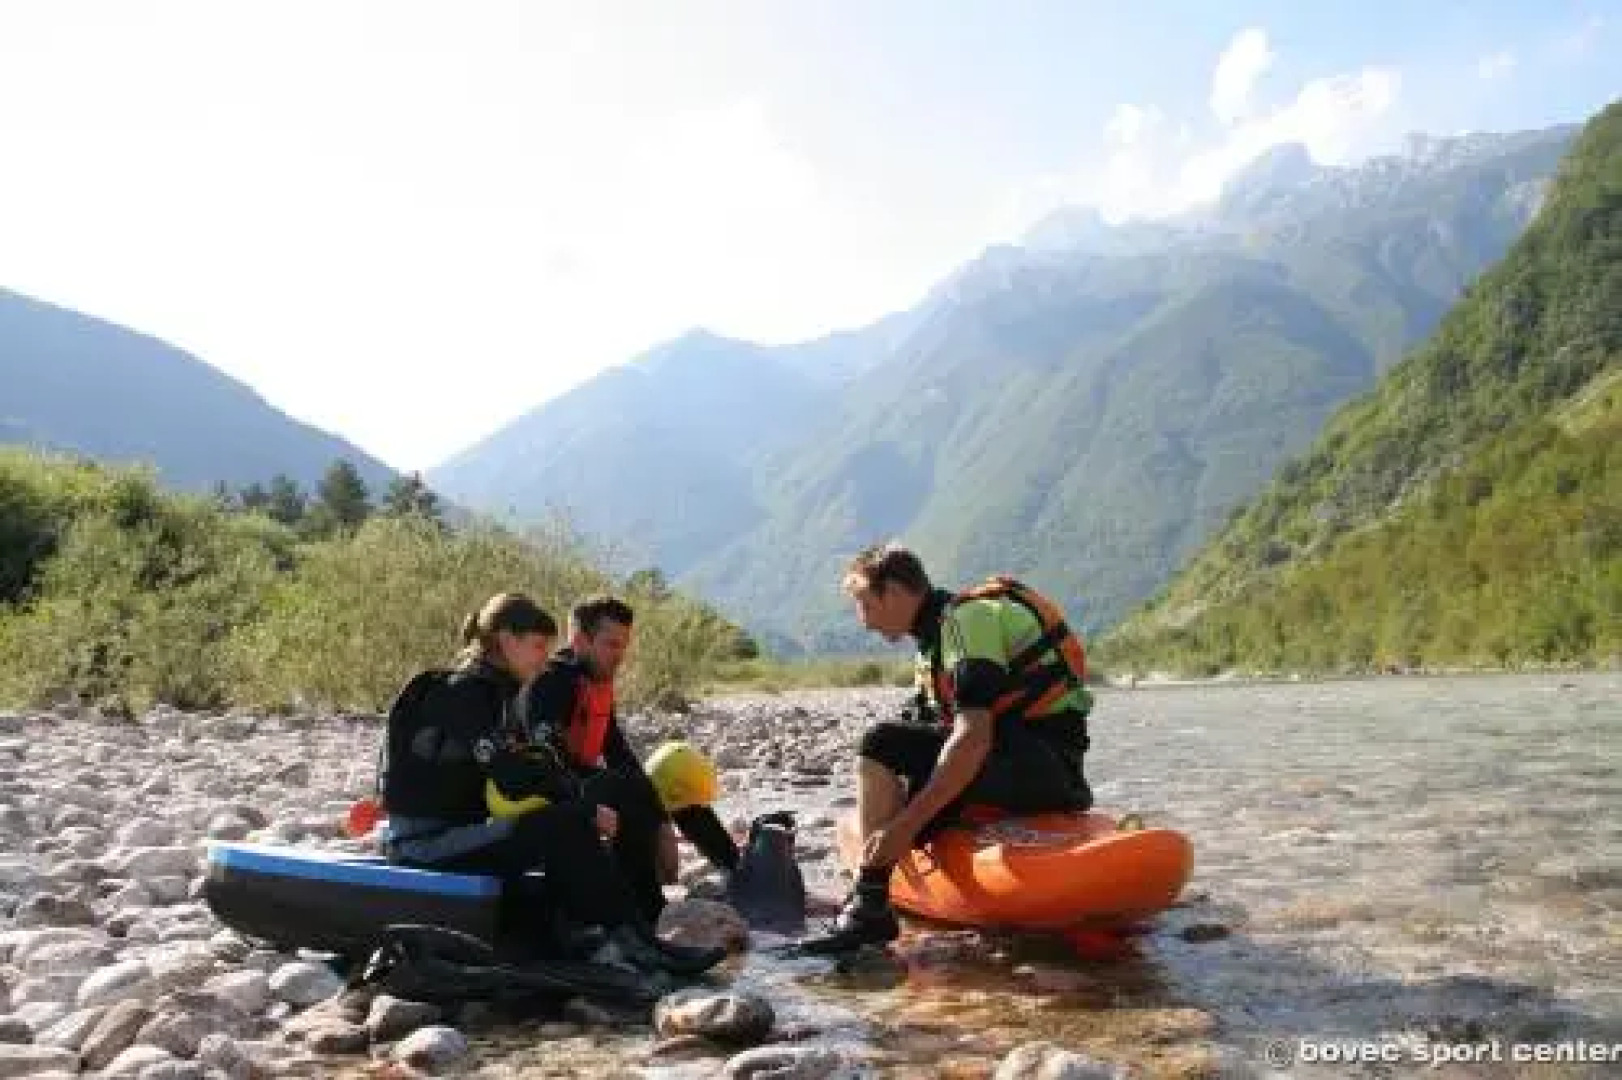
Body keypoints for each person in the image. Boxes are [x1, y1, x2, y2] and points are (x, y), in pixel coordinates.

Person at [379, 591, 725, 976]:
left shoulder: (500, 694)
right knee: (565, 823)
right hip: (424, 845)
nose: (547, 657)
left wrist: (582, 802)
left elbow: (541, 767)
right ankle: (633, 941)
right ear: (507, 640)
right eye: (539, 645)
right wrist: (584, 806)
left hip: (470, 832)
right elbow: (512, 776)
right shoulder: (458, 694)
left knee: (569, 816)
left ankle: (633, 935)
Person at [801, 543, 1095, 953]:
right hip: (1023, 765)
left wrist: (900, 827)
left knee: (881, 741)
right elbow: (933, 736)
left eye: (864, 603)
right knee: (904, 747)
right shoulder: (935, 642)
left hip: (1044, 769)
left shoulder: (967, 620)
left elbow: (973, 738)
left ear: (898, 593)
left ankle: (870, 900)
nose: (862, 620)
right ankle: (879, 887)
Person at [513, 594, 740, 924]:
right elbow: (547, 760)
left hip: (581, 785)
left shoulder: (597, 683)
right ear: (579, 640)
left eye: (623, 645)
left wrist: (661, 816)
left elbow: (618, 752)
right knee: (622, 788)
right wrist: (640, 802)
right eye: (611, 644)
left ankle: (736, 871)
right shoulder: (550, 682)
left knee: (672, 779)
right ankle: (648, 910)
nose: (620, 655)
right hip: (543, 796)